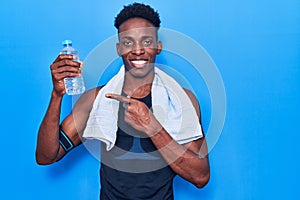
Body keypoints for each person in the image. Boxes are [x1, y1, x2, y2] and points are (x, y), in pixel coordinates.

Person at [36, 2, 210, 199]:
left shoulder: (181, 99)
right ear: (119, 49)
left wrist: (152, 127)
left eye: (146, 41)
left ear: (158, 46)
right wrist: (56, 96)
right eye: (128, 42)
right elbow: (46, 156)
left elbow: (201, 176)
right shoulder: (97, 100)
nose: (137, 50)